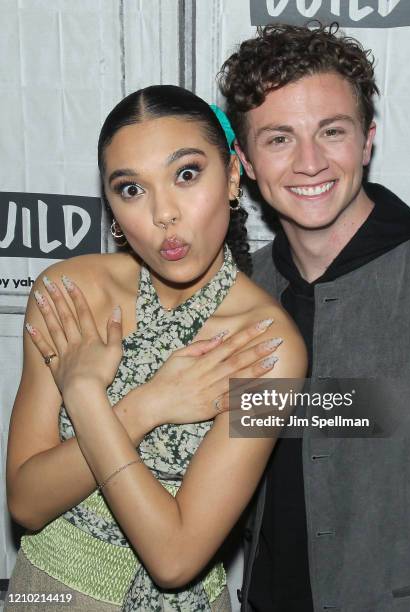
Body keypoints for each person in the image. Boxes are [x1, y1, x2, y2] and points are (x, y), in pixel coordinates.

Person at [5, 85, 307, 611]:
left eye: (186, 174)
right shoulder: (69, 293)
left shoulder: (265, 344)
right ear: (111, 207)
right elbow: (27, 503)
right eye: (131, 189)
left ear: (233, 174)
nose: (164, 213)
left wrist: (85, 394)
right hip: (42, 591)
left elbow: (175, 557)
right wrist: (148, 405)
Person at [218, 22, 410, 612]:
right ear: (246, 161)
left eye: (331, 132)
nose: (309, 162)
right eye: (279, 138)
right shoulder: (239, 290)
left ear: (366, 141)